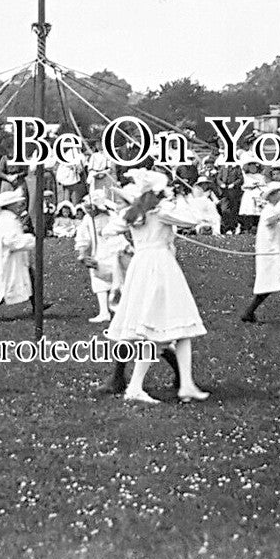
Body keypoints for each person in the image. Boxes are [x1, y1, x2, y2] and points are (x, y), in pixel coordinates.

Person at [104, 170, 209, 404]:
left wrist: (130, 238)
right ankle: (134, 387)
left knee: (182, 328)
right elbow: (193, 219)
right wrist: (180, 200)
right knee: (157, 328)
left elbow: (108, 230)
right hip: (160, 266)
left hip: (142, 264)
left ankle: (187, 385)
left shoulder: (135, 214)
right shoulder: (161, 213)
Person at [241, 182, 280, 324]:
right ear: (272, 195)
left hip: (277, 251)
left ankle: (249, 312)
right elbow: (272, 220)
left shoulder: (271, 209)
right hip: (272, 253)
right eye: (278, 192)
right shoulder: (269, 210)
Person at [0, 189, 35, 320]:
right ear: (9, 205)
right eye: (16, 204)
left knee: (32, 276)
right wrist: (30, 240)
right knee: (5, 287)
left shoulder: (10, 218)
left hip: (17, 257)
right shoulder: (6, 220)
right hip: (9, 259)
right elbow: (10, 241)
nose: (19, 206)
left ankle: (37, 304)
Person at [74, 192, 125, 324]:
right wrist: (83, 254)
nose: (88, 211)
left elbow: (120, 233)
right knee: (97, 279)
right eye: (86, 208)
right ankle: (104, 312)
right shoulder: (87, 219)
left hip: (115, 251)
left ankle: (123, 311)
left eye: (91, 208)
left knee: (120, 280)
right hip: (99, 253)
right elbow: (83, 237)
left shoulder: (111, 216)